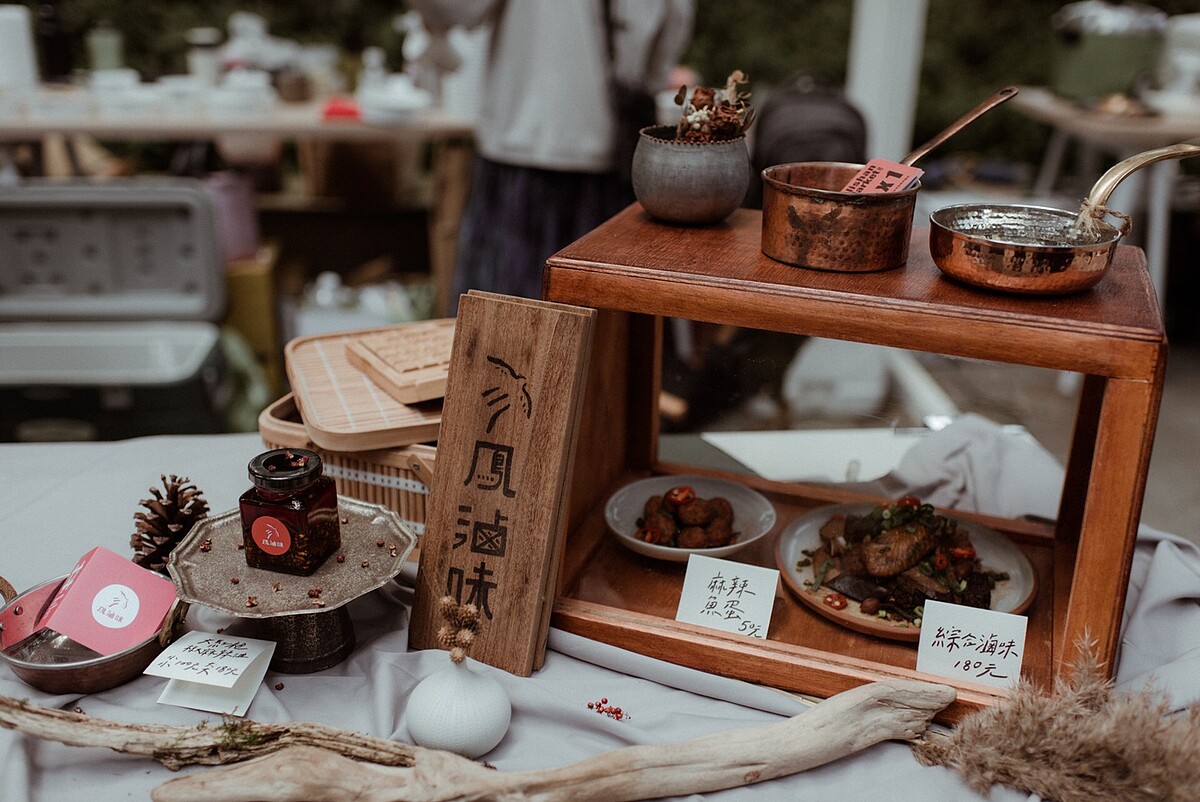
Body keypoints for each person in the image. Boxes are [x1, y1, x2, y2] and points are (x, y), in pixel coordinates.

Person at [408, 0, 694, 310]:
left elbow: (453, 7)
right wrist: (644, 78)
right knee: (609, 323)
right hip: (615, 157)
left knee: (505, 325)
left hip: (524, 149)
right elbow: (673, 25)